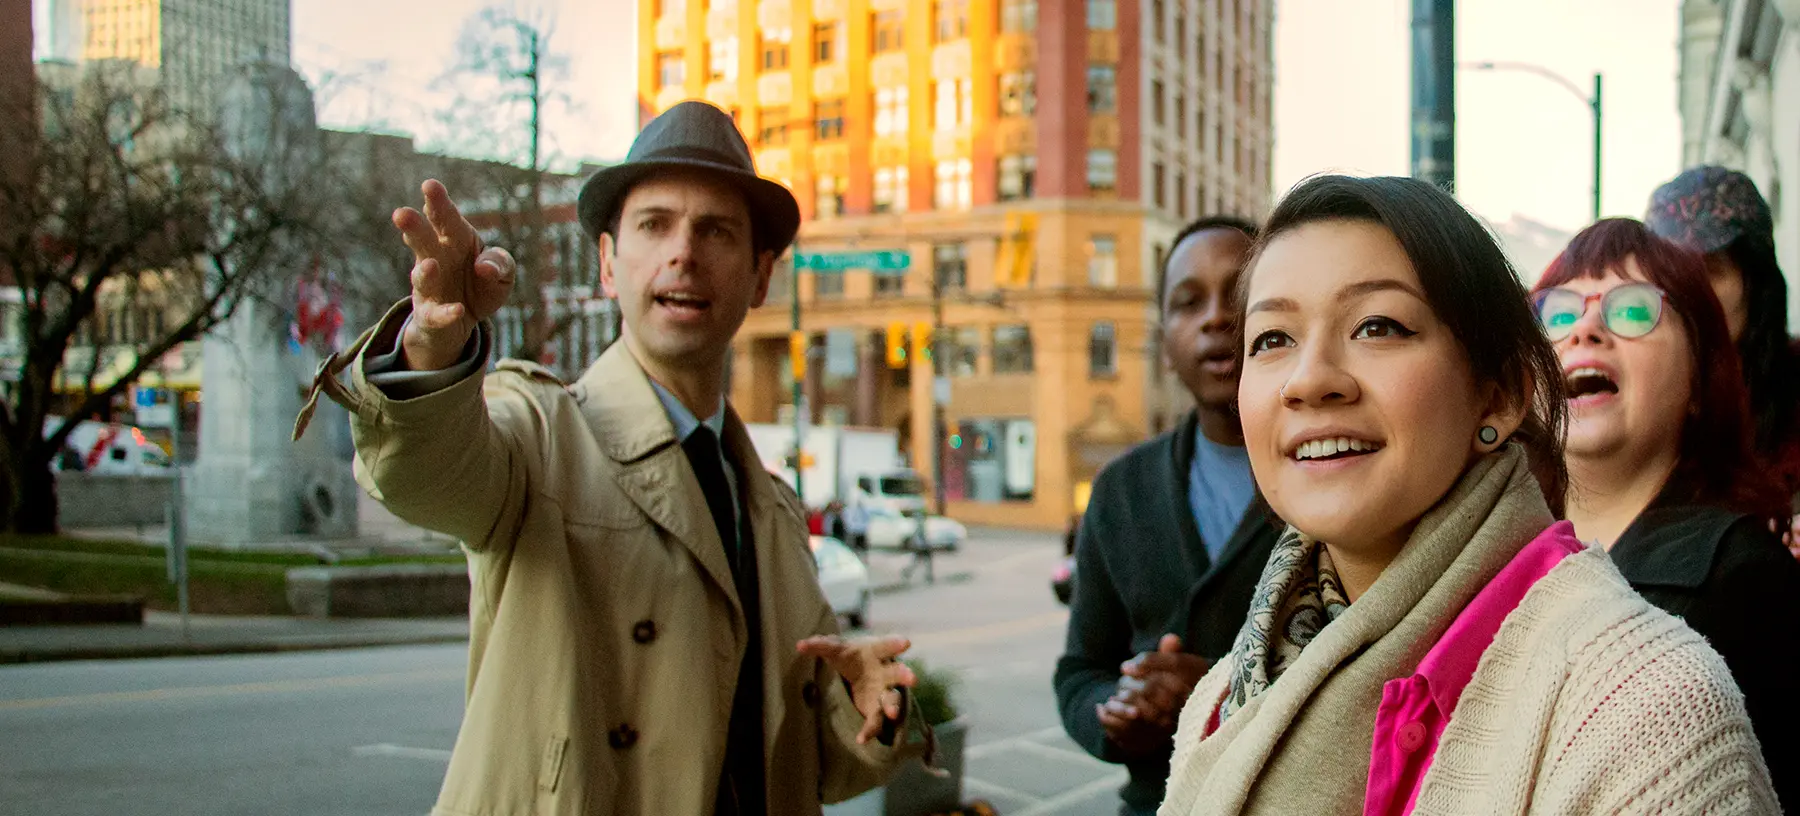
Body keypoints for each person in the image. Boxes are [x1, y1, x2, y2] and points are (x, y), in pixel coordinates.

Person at [292, 101, 926, 815]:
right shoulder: (540, 436)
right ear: (606, 262)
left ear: (759, 277)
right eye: (654, 225)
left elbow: (791, 764)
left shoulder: (775, 513)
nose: (683, 252)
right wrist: (432, 354)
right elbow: (424, 474)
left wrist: (868, 705)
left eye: (715, 231)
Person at [1159, 176, 1775, 815]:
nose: (1308, 380)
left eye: (1377, 326)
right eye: (1272, 339)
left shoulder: (1645, 708)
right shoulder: (1225, 696)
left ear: (1501, 394)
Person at [1532, 217, 1800, 807]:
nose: (1586, 329)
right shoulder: (1491, 555)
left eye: (1632, 311)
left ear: (1701, 382)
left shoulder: (1746, 580)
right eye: (1558, 313)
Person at [1054, 216, 1280, 816]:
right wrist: (1115, 711)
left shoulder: (1338, 470)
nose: (1215, 318)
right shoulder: (1120, 490)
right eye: (1187, 302)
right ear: (1163, 343)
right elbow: (1080, 670)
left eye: (1239, 295)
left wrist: (1214, 694)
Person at [1646, 167, 1800, 502]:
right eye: (1674, 274)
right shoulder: (1639, 400)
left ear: (1756, 284)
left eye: (1711, 271)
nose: (1692, 292)